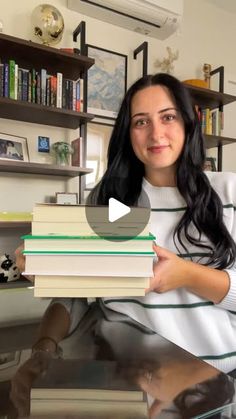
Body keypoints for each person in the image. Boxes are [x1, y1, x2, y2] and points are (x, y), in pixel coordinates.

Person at [15, 72, 236, 374]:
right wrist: (44, 342)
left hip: (217, 381)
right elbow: (75, 295)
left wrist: (187, 275)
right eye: (141, 121)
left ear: (187, 122)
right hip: (127, 382)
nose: (156, 134)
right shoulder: (107, 200)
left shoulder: (228, 191)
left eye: (168, 117)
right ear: (128, 132)